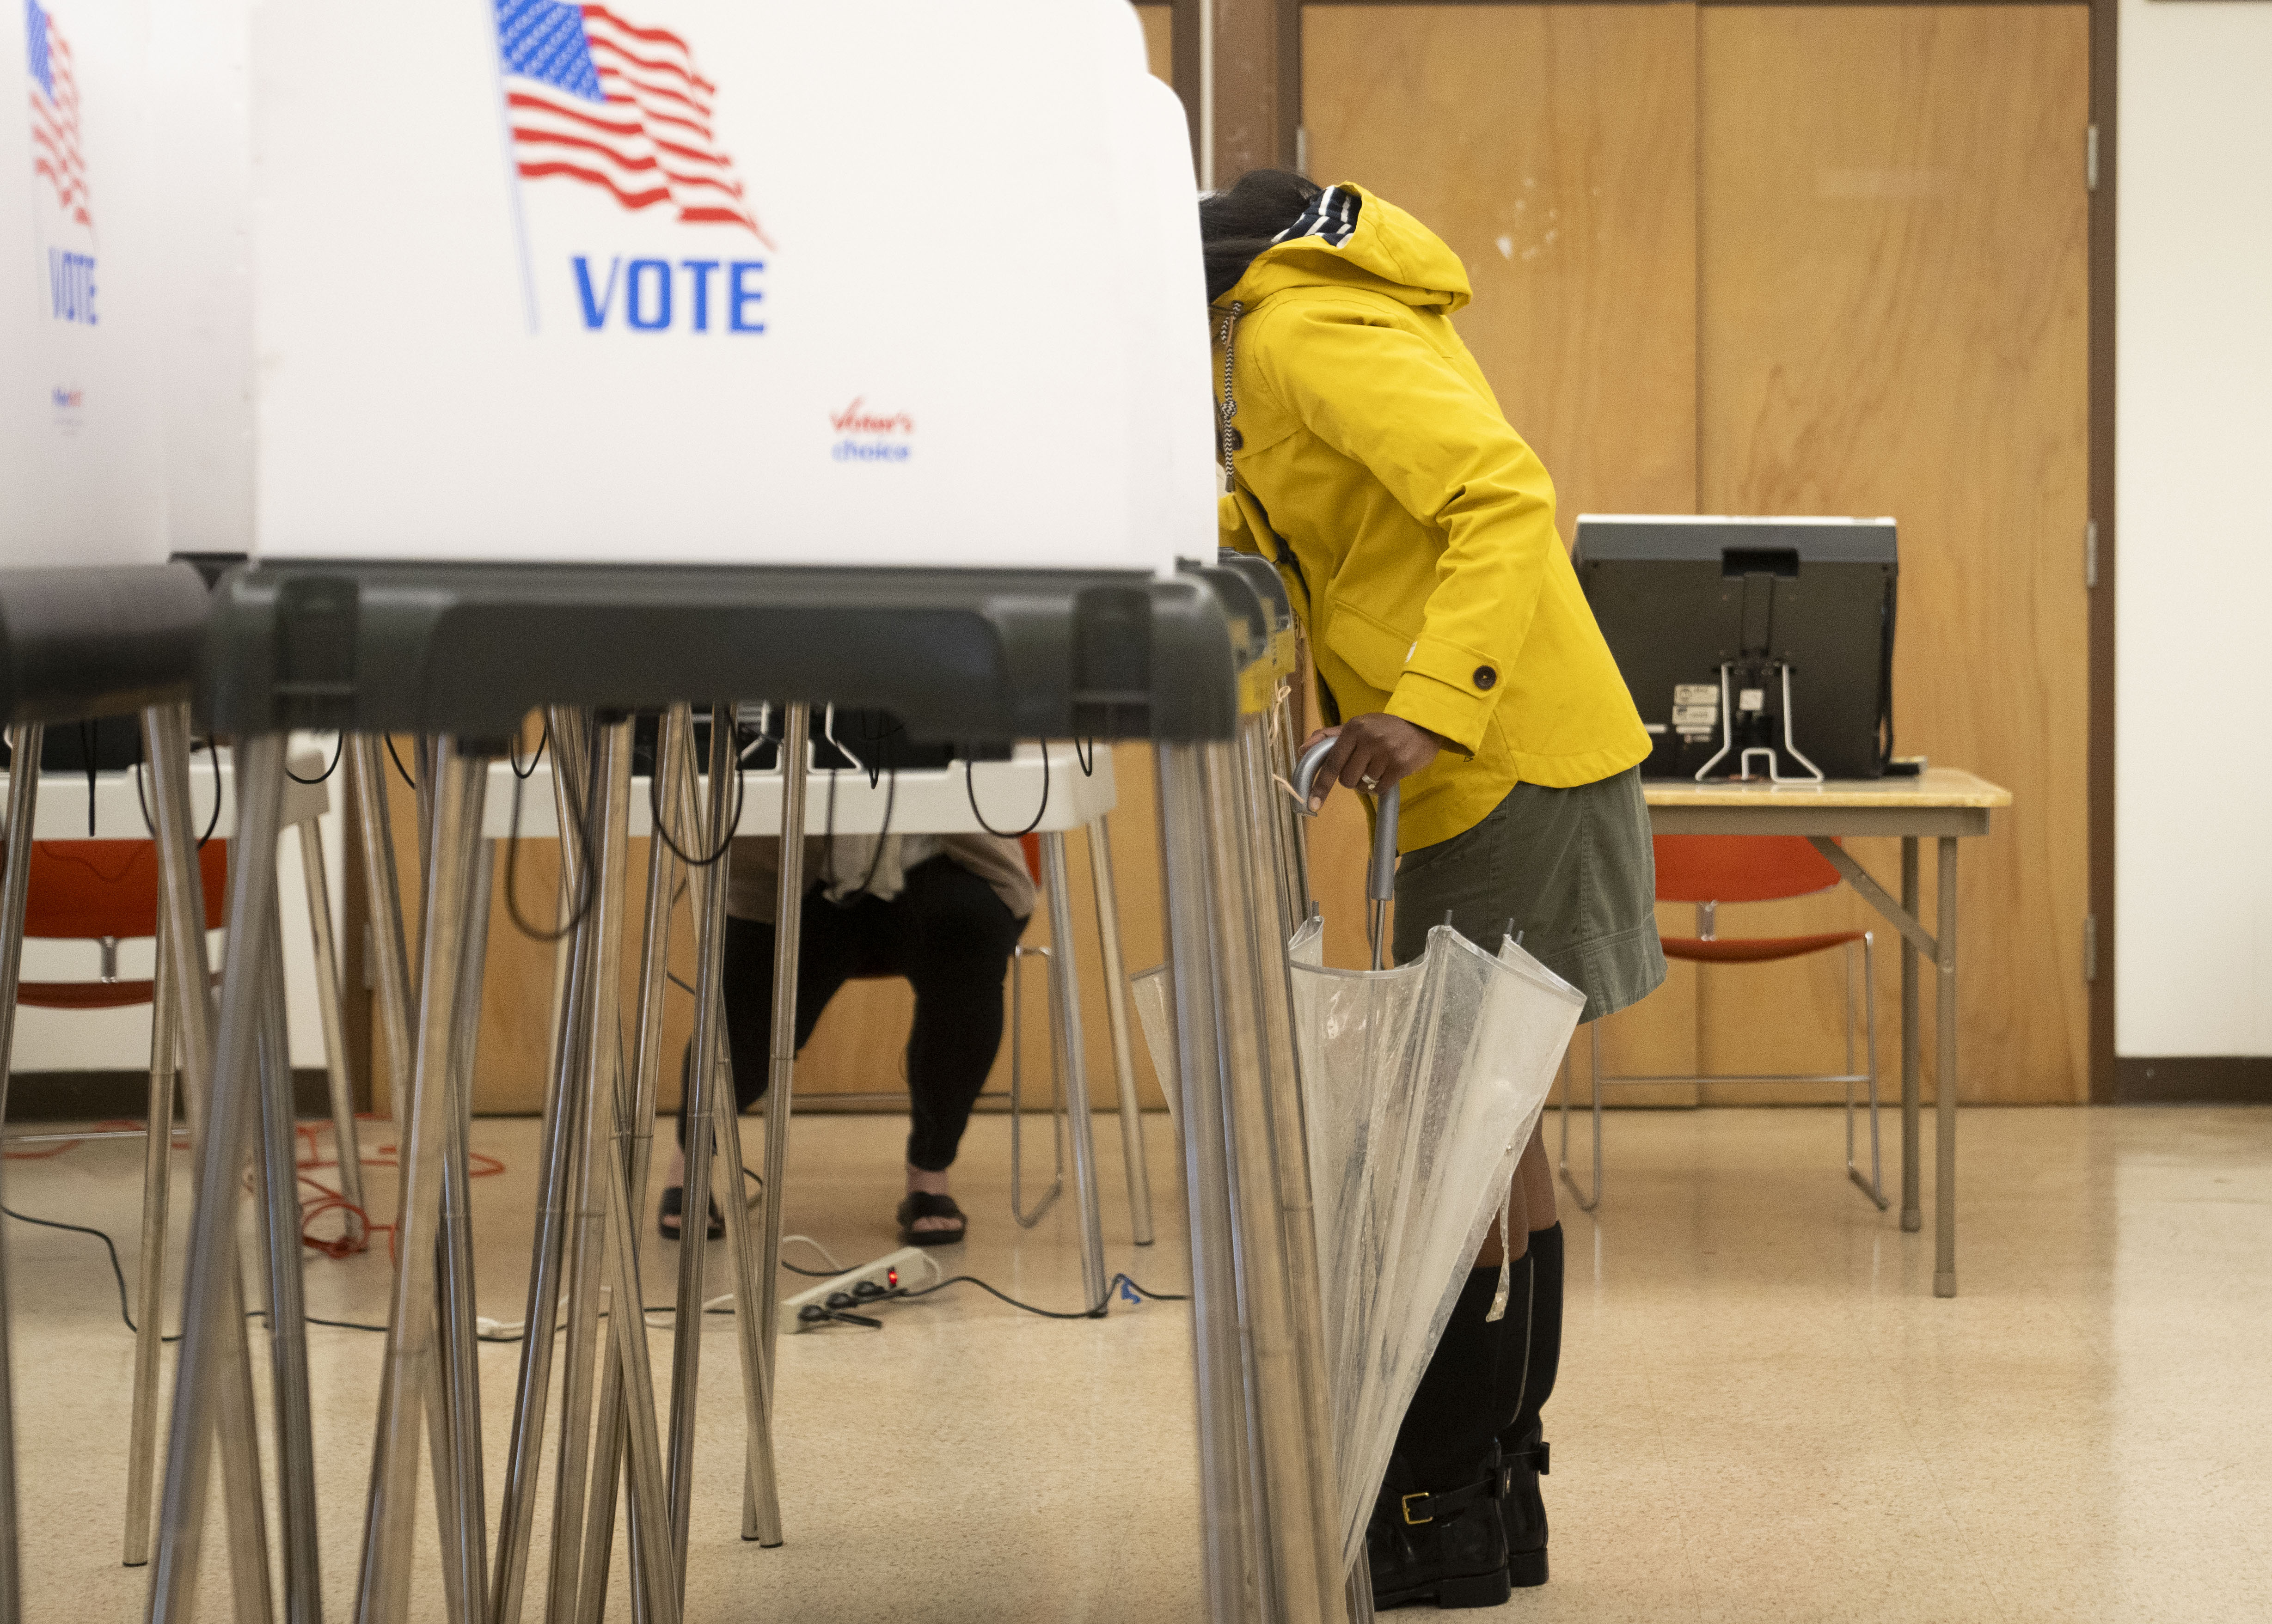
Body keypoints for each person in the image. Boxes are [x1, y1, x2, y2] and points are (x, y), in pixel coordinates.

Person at [1203, 170, 1665, 1608]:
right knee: (1486, 1128)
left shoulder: (1293, 333)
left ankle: (1437, 1500)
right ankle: (1491, 1495)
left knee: (1444, 1139)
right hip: (1503, 761)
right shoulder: (1299, 330)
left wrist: (1431, 703)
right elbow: (1320, 528)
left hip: (1501, 756)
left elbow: (1499, 489)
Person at [658, 825, 1033, 1246]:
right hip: (788, 871)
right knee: (748, 1019)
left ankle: (930, 1170)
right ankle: (691, 1160)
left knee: (968, 939)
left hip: (943, 860)